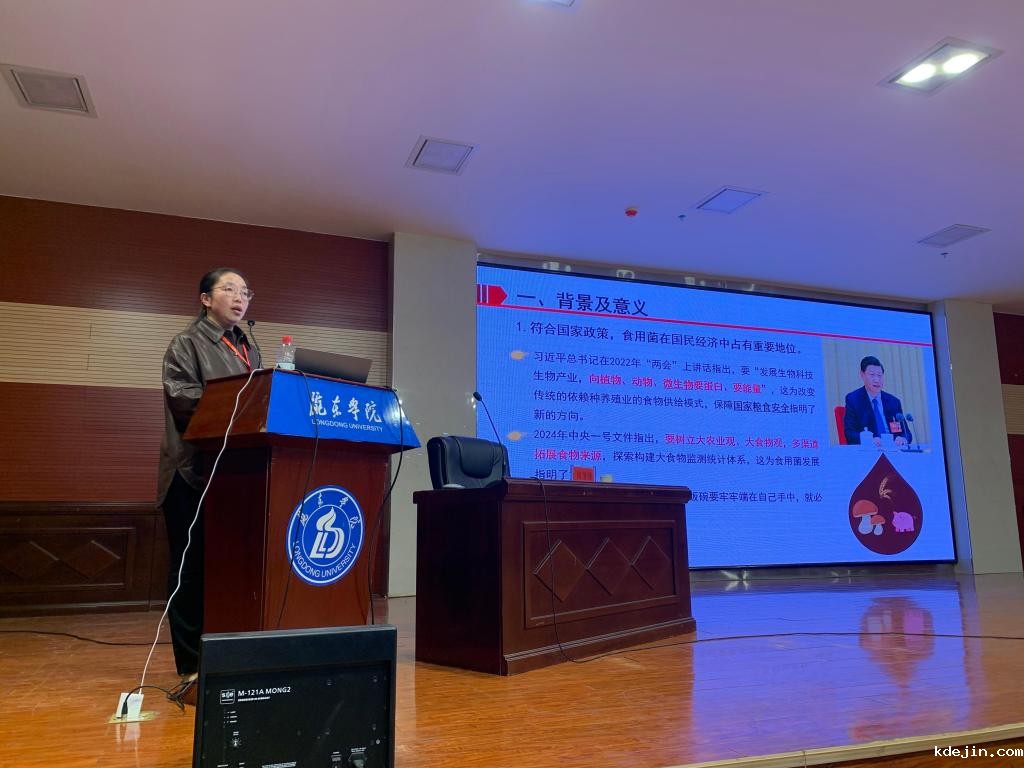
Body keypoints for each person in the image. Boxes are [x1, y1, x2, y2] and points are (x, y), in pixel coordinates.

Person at [156, 268, 260, 691]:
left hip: (234, 476)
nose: (239, 298)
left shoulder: (248, 346)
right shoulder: (187, 343)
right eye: (229, 289)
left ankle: (227, 655)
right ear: (205, 299)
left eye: (245, 292)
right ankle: (191, 666)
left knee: (229, 569)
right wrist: (245, 402)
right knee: (191, 570)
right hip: (191, 474)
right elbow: (184, 401)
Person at [842, 355, 911, 447]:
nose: (877, 380)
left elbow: (906, 433)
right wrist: (869, 440)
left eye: (879, 375)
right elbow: (850, 433)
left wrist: (903, 439)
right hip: (870, 451)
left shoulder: (893, 402)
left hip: (893, 449)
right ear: (862, 375)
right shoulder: (853, 400)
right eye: (872, 375)